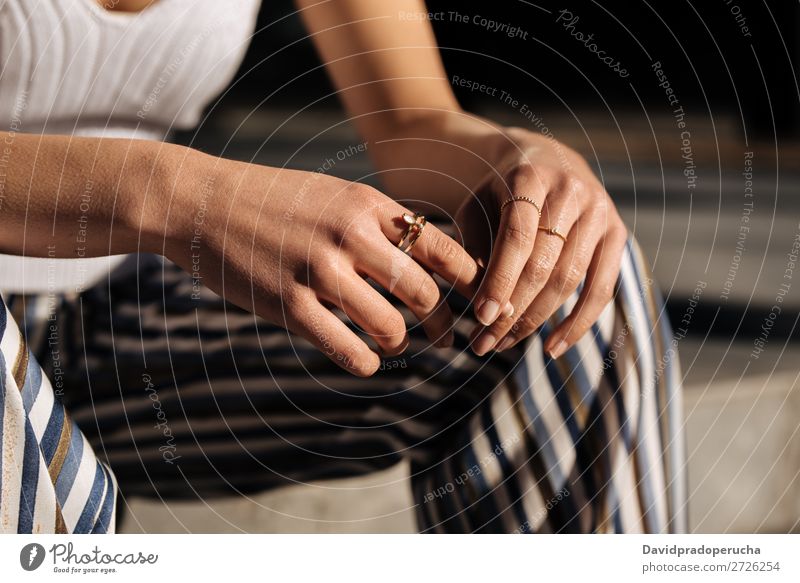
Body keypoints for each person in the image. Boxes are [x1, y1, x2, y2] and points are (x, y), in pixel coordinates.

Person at [0, 0, 686, 533]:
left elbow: (412, 118)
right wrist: (188, 197)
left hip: (113, 311)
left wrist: (524, 163)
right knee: (48, 493)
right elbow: (179, 201)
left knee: (556, 286)